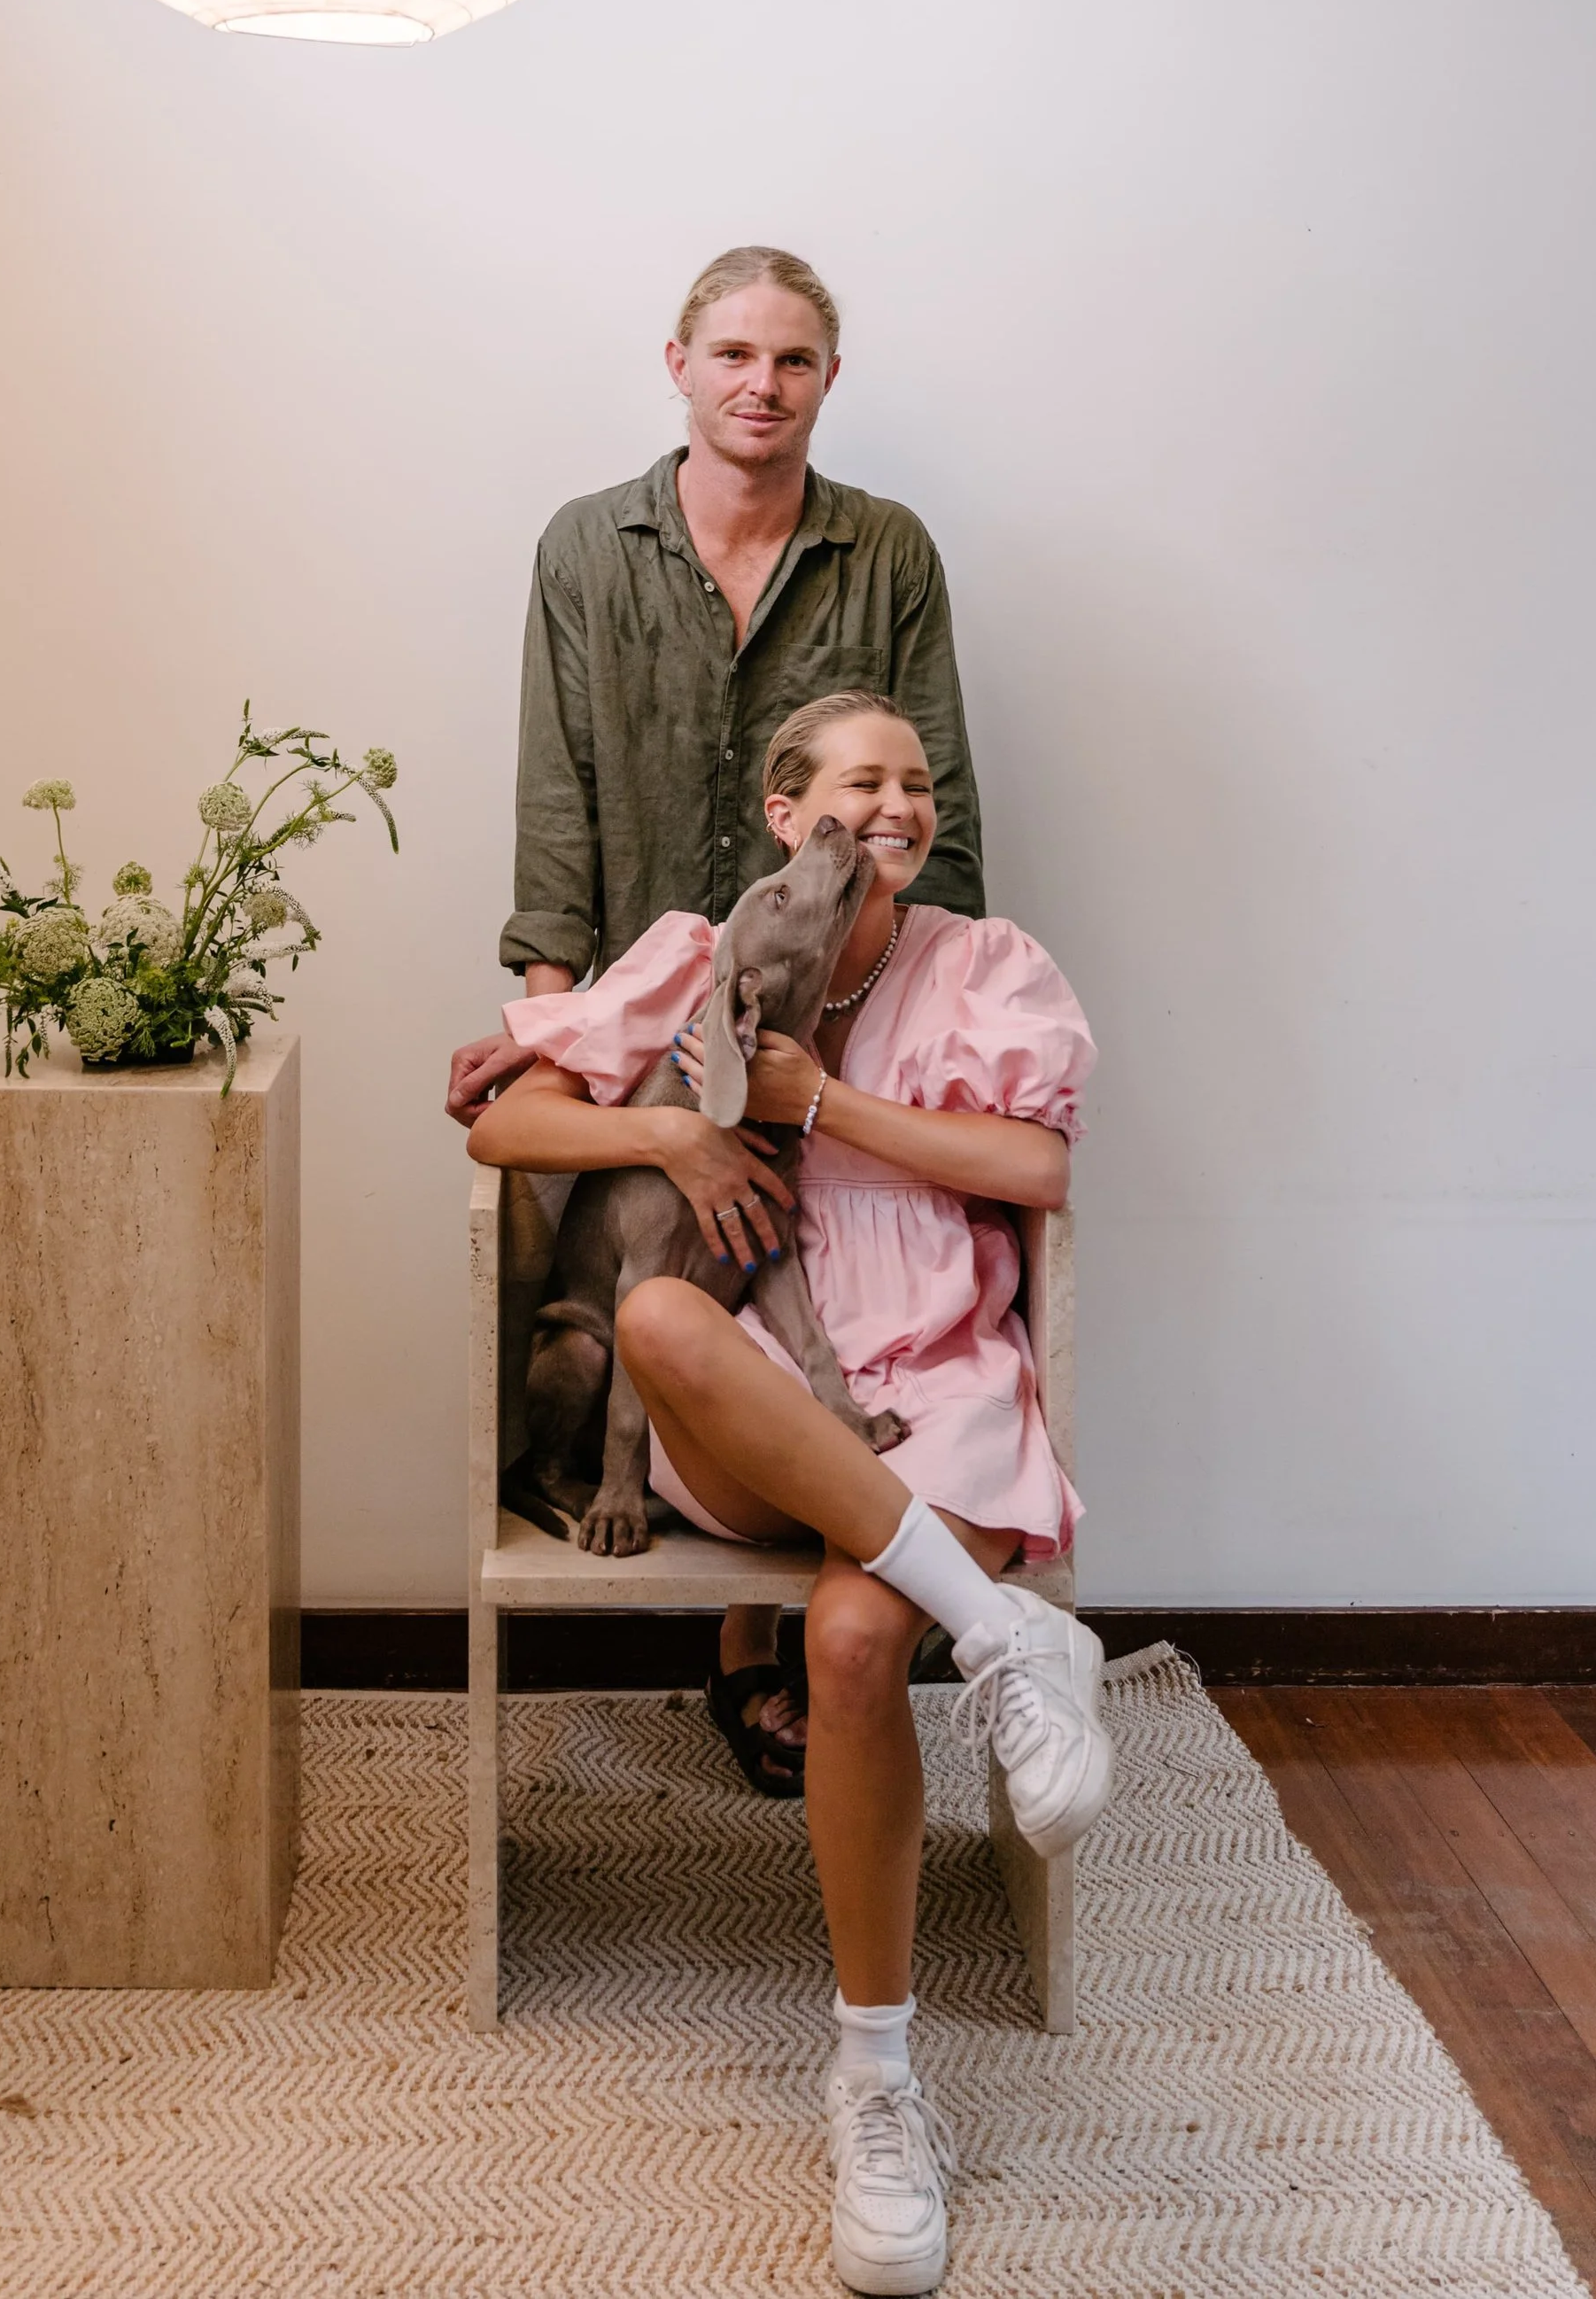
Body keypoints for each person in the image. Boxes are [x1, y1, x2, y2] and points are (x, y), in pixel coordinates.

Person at [469, 691, 1108, 2299]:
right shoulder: (704, 951)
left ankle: (876, 2079)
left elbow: (1036, 1170)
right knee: (661, 1317)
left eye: (916, 781)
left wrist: (811, 1100)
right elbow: (501, 1120)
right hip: (761, 1399)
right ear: (786, 813)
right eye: (859, 780)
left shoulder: (984, 962)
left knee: (847, 1645)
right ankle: (1008, 1638)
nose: (895, 803)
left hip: (935, 1383)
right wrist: (685, 1137)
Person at [446, 245, 987, 1794]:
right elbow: (560, 794)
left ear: (830, 381)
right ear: (677, 364)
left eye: (794, 359)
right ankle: (722, 1605)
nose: (763, 384)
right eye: (734, 354)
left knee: (809, 1286)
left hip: (829, 1017)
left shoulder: (886, 553)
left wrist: (903, 1029)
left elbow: (935, 804)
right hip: (641, 1020)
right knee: (636, 1285)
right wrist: (556, 1026)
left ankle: (783, 1642)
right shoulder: (587, 547)